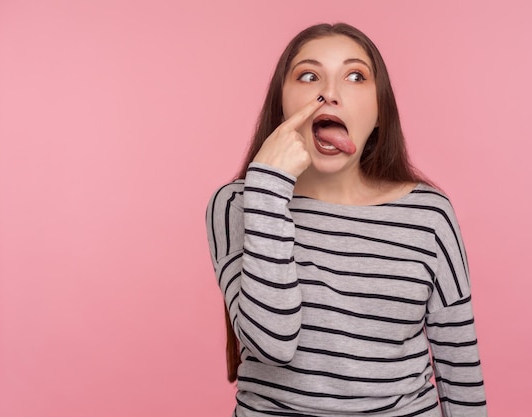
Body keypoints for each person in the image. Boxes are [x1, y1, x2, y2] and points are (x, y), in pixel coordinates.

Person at [206, 22, 487, 417]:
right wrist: (268, 188)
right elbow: (273, 342)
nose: (329, 93)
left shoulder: (430, 214)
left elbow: (460, 369)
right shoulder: (238, 204)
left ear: (378, 113)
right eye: (308, 76)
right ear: (281, 105)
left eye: (355, 76)